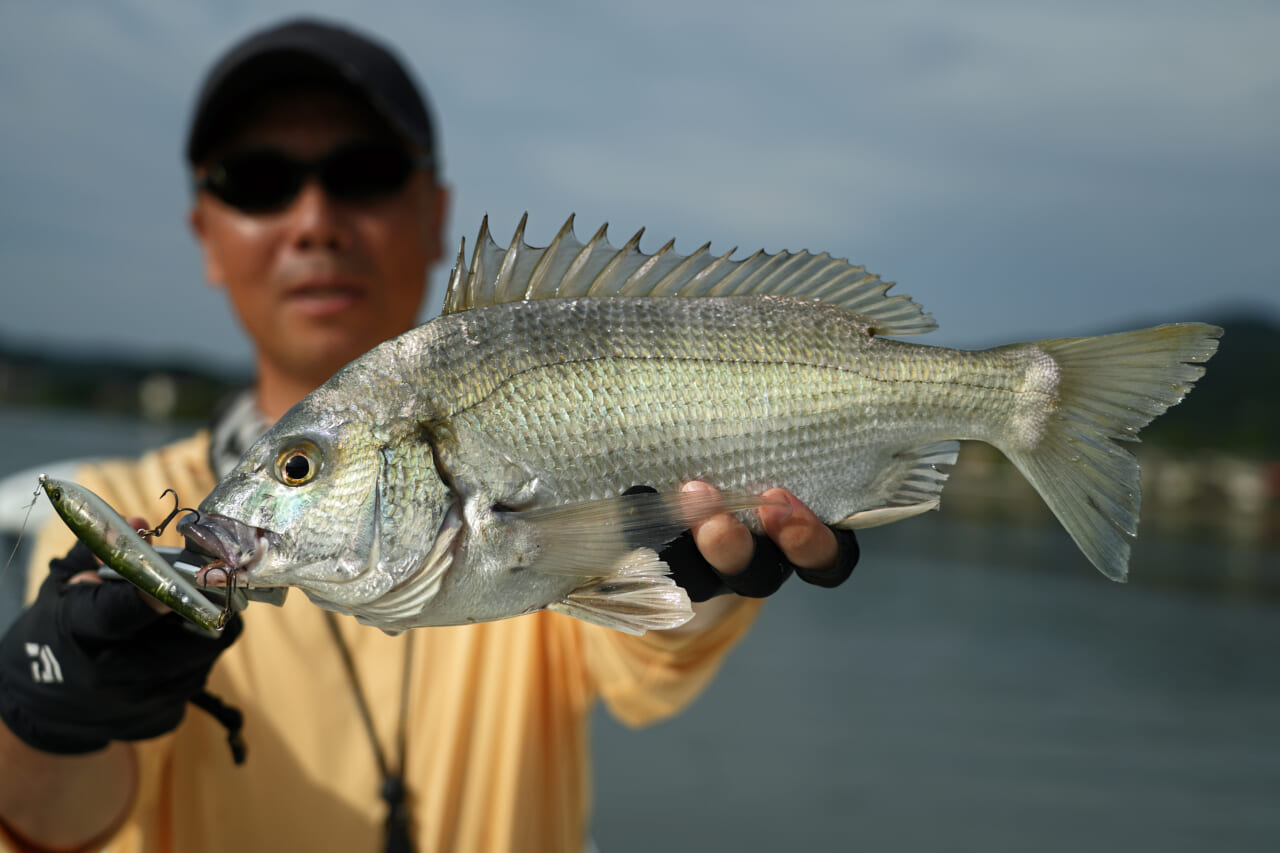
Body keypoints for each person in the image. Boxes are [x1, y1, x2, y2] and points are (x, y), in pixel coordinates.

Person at [0, 18, 858, 853]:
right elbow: (58, 825)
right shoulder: (116, 530)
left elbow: (651, 656)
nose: (315, 221)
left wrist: (705, 577)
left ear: (436, 210)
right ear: (206, 235)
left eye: (363, 173)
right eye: (259, 180)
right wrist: (49, 711)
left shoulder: (516, 530)